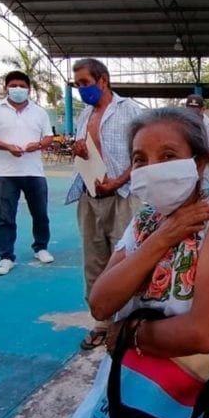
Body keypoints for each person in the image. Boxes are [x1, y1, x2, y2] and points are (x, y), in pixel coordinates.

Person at [89, 107, 209, 418]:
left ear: (197, 164)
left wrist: (125, 334)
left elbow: (202, 333)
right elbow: (100, 303)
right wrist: (163, 238)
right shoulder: (145, 221)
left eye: (167, 156)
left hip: (200, 397)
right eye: (140, 160)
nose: (152, 168)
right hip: (133, 384)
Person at [65, 58, 141, 350]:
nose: (81, 90)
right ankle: (101, 322)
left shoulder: (130, 111)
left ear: (103, 81)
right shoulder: (84, 115)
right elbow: (85, 151)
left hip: (122, 197)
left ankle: (129, 322)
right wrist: (78, 149)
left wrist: (118, 182)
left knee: (126, 260)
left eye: (85, 83)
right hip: (89, 197)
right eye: (77, 85)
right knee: (94, 260)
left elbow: (142, 156)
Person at [0, 70, 54, 276]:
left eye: (22, 86)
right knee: (6, 216)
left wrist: (38, 144)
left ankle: (41, 247)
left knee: (40, 214)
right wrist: (7, 147)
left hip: (35, 172)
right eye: (13, 85)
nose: (18, 89)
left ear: (28, 89)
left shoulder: (39, 112)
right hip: (7, 173)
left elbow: (49, 137)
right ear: (6, 88)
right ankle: (6, 257)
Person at [184, 93, 209, 160]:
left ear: (203, 110)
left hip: (202, 167)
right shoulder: (181, 123)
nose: (192, 114)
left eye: (195, 112)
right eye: (189, 111)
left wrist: (197, 153)